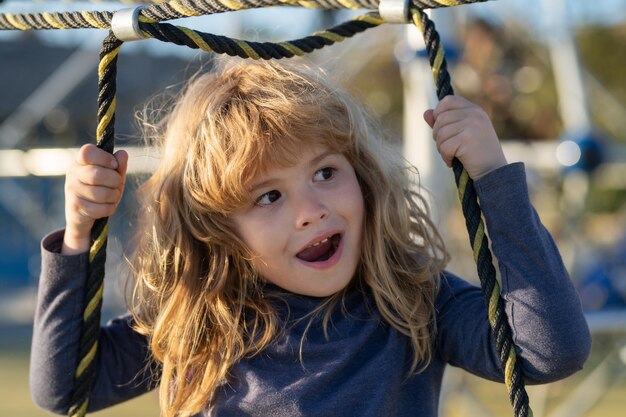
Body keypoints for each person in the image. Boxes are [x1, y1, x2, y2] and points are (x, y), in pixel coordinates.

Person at [30, 60, 591, 417]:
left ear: (364, 179)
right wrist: (79, 235)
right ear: (219, 229)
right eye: (268, 197)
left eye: (326, 173)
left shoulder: (411, 300)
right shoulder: (204, 322)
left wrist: (494, 180)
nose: (312, 211)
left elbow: (547, 350)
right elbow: (65, 390)